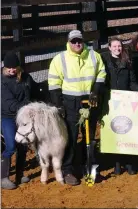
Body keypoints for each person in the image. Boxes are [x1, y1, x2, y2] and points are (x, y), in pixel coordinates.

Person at [48, 30, 107, 186]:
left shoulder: (94, 56)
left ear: (83, 41)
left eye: (79, 41)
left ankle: (89, 167)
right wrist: (58, 104)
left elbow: (101, 73)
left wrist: (96, 90)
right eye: (73, 41)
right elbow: (54, 83)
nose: (77, 44)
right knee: (71, 137)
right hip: (70, 102)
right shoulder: (60, 59)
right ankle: (68, 170)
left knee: (90, 136)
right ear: (69, 42)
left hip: (90, 100)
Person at [101, 37, 138, 176]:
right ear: (109, 48)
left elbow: (132, 82)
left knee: (127, 132)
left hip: (126, 102)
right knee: (115, 133)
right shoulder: (104, 62)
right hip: (110, 103)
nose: (117, 49)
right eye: (114, 46)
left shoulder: (127, 62)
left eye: (119, 46)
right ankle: (117, 164)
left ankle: (129, 163)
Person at [1, 52, 38, 189]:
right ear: (4, 67)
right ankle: (3, 177)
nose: (11, 70)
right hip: (7, 117)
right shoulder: (2, 81)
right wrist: (28, 107)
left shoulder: (26, 78)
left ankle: (19, 174)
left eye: (14, 67)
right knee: (10, 146)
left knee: (22, 145)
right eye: (8, 68)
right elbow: (9, 103)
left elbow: (36, 92)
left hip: (23, 116)